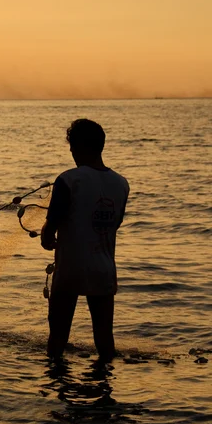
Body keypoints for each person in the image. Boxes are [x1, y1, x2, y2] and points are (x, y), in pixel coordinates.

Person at [41, 118, 129, 362]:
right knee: (104, 339)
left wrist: (47, 238)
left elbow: (51, 229)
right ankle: (104, 388)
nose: (70, 152)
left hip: (71, 268)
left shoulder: (68, 180)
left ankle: (56, 385)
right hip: (104, 268)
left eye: (71, 146)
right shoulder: (121, 183)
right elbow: (115, 223)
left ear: (78, 147)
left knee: (57, 338)